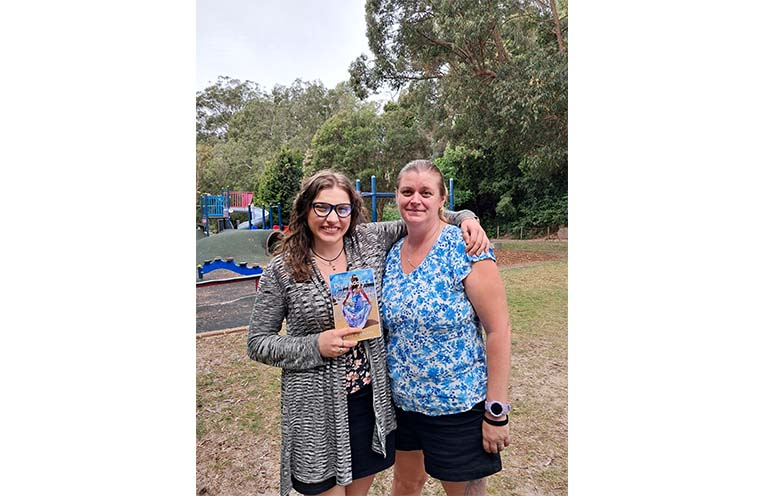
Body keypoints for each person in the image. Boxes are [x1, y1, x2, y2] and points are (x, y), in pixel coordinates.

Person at [247, 170, 490, 496]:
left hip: (368, 403)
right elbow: (258, 342)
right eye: (322, 208)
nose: (332, 219)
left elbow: (422, 214)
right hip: (315, 408)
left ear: (352, 211)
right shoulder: (283, 269)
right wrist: (315, 345)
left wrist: (467, 218)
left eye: (342, 209)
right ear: (305, 209)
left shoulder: (368, 241)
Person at [381, 160, 512, 496]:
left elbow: (498, 330)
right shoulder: (391, 254)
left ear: (442, 200)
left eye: (426, 192)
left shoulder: (466, 248)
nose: (415, 200)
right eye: (407, 191)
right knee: (406, 483)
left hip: (457, 406)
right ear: (396, 196)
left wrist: (496, 412)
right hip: (404, 405)